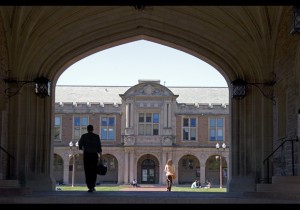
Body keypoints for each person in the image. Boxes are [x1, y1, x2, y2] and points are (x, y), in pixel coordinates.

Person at [79, 124, 102, 192]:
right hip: (94, 156)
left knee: (87, 171)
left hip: (87, 155)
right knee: (94, 171)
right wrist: (101, 157)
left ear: (87, 129)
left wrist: (84, 148)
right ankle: (93, 186)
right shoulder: (96, 136)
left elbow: (80, 145)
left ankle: (89, 186)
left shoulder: (84, 136)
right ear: (93, 129)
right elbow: (99, 148)